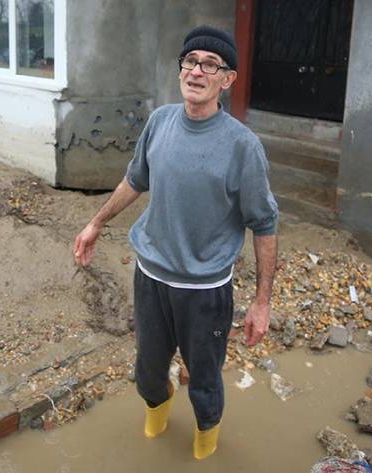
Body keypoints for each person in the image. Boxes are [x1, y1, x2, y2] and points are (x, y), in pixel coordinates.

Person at [72, 25, 278, 460]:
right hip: (150, 278)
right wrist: (95, 223)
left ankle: (206, 436)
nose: (196, 71)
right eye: (190, 61)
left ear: (227, 79)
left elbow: (264, 224)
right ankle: (157, 408)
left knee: (204, 380)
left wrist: (262, 303)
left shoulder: (243, 147)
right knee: (147, 371)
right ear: (180, 69)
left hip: (204, 290)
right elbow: (135, 179)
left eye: (210, 64)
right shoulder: (161, 121)